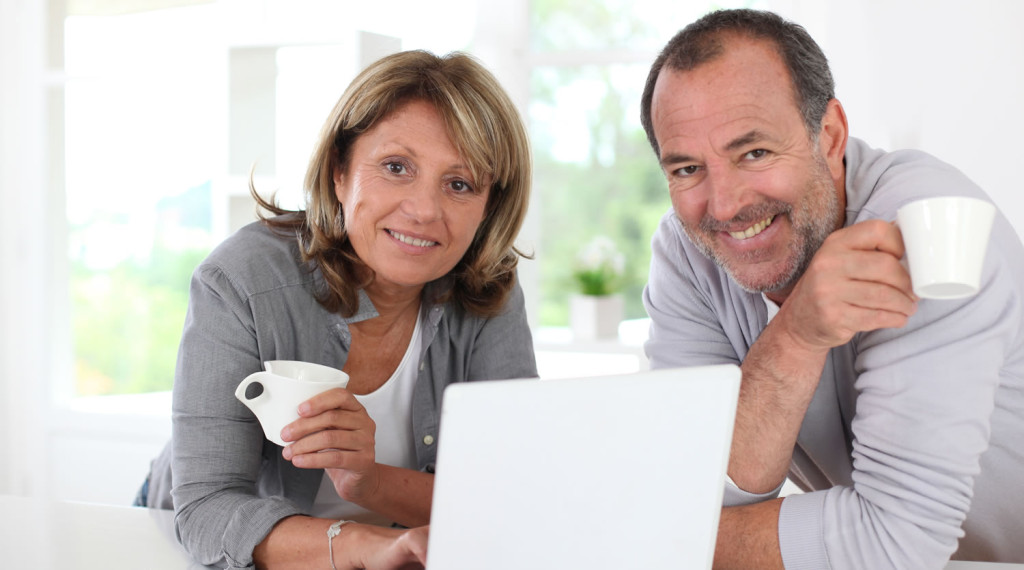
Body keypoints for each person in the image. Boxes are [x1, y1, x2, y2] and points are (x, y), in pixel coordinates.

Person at [639, 8, 1024, 569]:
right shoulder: (686, 250)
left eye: (754, 152)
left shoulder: (930, 226)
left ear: (829, 135)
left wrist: (660, 538)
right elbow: (692, 490)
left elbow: (894, 544)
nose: (723, 206)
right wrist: (796, 335)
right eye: (686, 169)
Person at [136, 49, 537, 569]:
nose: (424, 211)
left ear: (488, 208)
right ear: (338, 173)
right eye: (396, 168)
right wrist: (363, 545)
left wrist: (369, 483)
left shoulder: (489, 290)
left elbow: (509, 499)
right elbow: (208, 509)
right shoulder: (243, 279)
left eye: (459, 184)